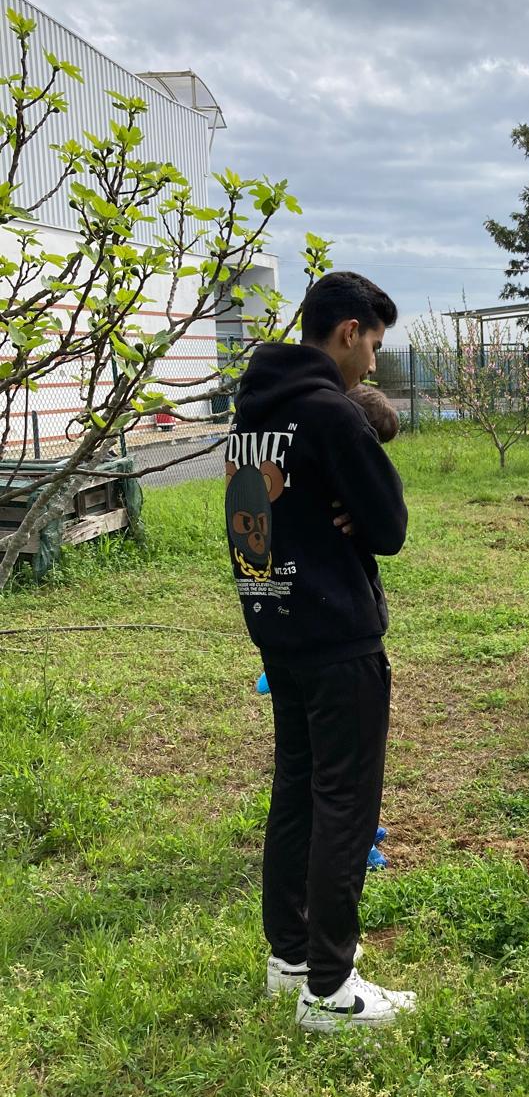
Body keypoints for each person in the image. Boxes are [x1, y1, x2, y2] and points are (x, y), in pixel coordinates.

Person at [224, 271, 413, 1031]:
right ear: (347, 332)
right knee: (345, 802)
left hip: (278, 627)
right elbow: (390, 527)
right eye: (373, 344)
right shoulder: (332, 414)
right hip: (338, 638)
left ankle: (292, 957)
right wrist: (358, 515)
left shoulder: (253, 412)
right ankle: (331, 990)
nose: (372, 361)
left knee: (298, 790)